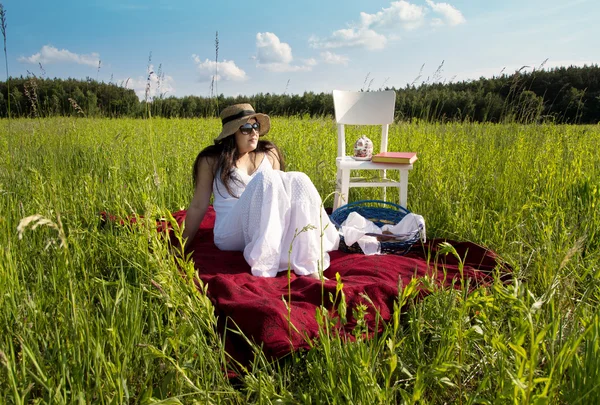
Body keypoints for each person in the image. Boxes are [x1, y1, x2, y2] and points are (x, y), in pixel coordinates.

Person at [182, 103, 339, 278]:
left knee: (299, 178)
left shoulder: (269, 153)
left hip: (262, 226)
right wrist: (180, 246)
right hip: (230, 233)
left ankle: (310, 265)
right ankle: (266, 264)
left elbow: (281, 197)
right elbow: (198, 205)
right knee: (268, 177)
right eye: (246, 128)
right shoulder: (211, 160)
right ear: (231, 133)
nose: (254, 132)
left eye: (255, 126)